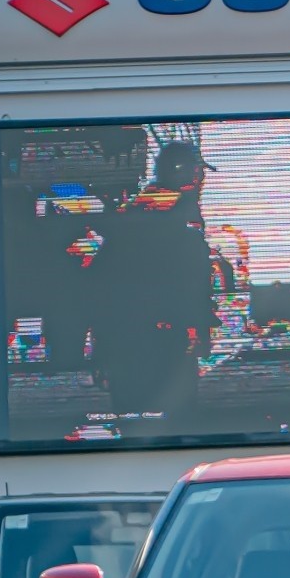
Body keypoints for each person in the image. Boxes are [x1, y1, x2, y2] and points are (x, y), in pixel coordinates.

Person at [86, 141, 219, 420]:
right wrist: (199, 328)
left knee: (133, 421)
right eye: (196, 173)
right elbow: (191, 283)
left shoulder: (136, 213)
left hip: (127, 338)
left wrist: (101, 345)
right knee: (177, 423)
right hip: (163, 340)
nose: (200, 181)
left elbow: (99, 283)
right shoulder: (177, 217)